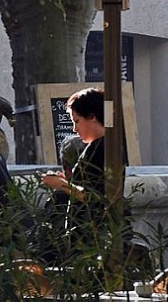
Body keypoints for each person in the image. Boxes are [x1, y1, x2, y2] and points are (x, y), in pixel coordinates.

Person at [38, 88, 122, 263]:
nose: (75, 129)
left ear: (92, 117)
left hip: (92, 237)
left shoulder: (101, 148)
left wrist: (60, 185)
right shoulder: (103, 146)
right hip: (88, 235)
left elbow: (95, 196)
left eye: (77, 121)